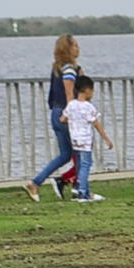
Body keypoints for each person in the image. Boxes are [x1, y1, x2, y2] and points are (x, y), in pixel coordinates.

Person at [21, 34, 83, 201]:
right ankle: (79, 188)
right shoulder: (70, 70)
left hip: (56, 111)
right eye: (75, 45)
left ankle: (37, 182)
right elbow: (70, 95)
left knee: (65, 155)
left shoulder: (57, 69)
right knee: (80, 152)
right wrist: (73, 115)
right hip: (65, 113)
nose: (79, 48)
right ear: (68, 49)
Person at [55, 76, 113, 202]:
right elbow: (96, 124)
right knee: (86, 166)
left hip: (75, 141)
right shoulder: (88, 107)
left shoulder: (71, 105)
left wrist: (73, 122)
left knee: (80, 165)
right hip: (86, 142)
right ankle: (82, 192)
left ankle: (85, 191)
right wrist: (106, 139)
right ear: (87, 90)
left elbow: (62, 119)